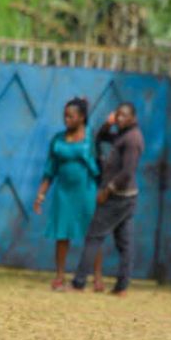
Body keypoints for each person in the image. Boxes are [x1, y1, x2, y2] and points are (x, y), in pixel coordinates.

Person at [69, 102, 144, 296]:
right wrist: (107, 124)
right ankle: (121, 287)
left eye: (123, 116)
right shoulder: (122, 134)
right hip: (125, 197)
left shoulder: (132, 139)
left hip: (117, 197)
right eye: (117, 115)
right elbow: (100, 138)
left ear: (133, 118)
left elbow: (127, 172)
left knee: (93, 237)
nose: (119, 118)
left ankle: (78, 283)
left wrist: (108, 190)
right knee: (125, 243)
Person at [33, 97, 104, 291]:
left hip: (86, 192)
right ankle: (60, 277)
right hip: (63, 193)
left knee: (92, 235)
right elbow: (50, 170)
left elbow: (100, 160)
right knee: (62, 234)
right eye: (65, 116)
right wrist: (41, 195)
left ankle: (97, 278)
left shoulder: (90, 138)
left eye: (71, 116)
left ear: (81, 118)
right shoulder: (57, 140)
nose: (66, 119)